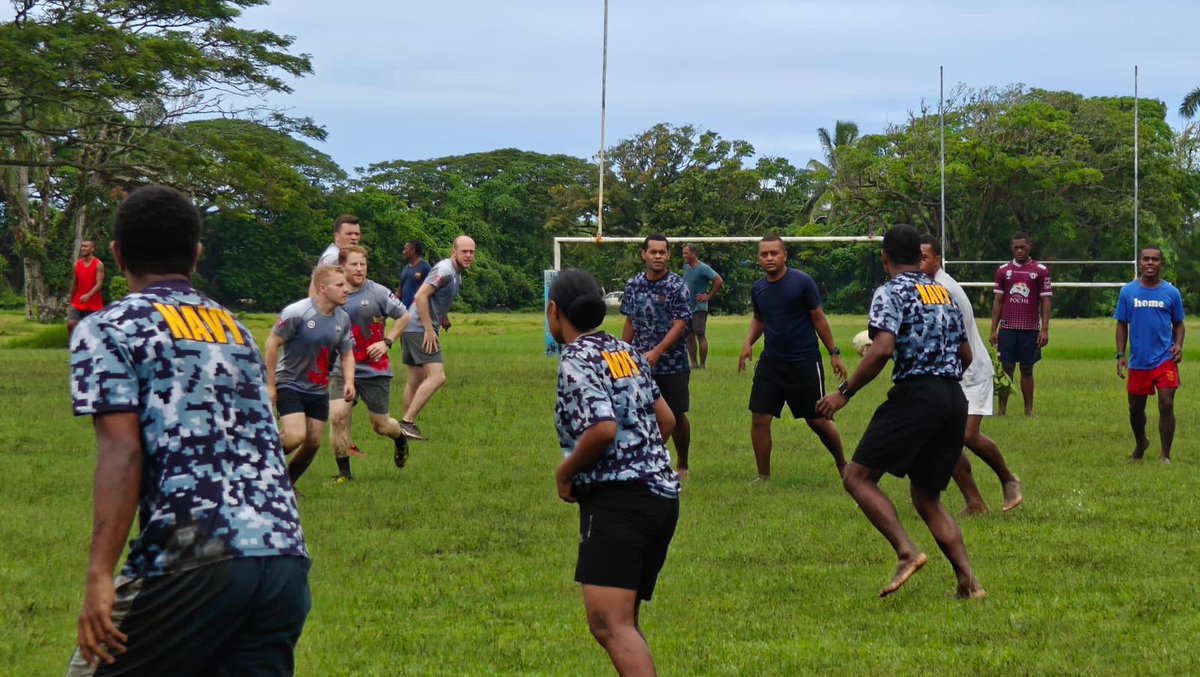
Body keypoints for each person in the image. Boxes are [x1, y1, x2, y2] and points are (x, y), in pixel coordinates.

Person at [67, 185, 310, 675]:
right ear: (197, 255)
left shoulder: (109, 328)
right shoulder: (235, 329)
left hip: (194, 553)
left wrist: (99, 574)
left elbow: (123, 454)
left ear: (116, 255)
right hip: (283, 555)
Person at [816, 224, 985, 600]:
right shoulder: (943, 293)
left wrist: (844, 393)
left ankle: (907, 552)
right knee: (927, 497)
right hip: (953, 398)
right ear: (918, 254)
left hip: (917, 395)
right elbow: (967, 355)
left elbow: (882, 349)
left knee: (857, 477)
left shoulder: (889, 292)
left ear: (884, 257)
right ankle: (969, 583)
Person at [548, 268, 680, 676]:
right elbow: (667, 420)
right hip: (660, 497)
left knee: (610, 624)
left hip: (620, 502)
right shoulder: (625, 352)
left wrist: (565, 473)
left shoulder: (576, 359)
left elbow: (602, 430)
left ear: (554, 312)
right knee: (624, 621)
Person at [920, 235, 1022, 513]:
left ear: (938, 259)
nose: (919, 263)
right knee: (944, 441)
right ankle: (975, 502)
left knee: (965, 435)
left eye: (924, 258)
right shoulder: (926, 286)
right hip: (951, 373)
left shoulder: (943, 288)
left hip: (972, 371)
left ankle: (1008, 478)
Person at [737, 236, 847, 481]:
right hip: (772, 363)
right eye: (764, 254)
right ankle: (763, 476)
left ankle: (843, 465)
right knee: (760, 418)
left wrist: (834, 353)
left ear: (784, 255)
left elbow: (819, 319)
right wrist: (748, 343)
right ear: (758, 258)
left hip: (804, 361)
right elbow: (759, 318)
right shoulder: (758, 288)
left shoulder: (802, 282)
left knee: (817, 419)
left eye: (774, 253)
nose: (769, 258)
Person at [265, 265, 356, 485]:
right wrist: (270, 385)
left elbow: (347, 354)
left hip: (318, 389)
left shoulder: (342, 319)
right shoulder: (297, 313)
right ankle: (258, 459)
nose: (347, 289)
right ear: (323, 288)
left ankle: (285, 486)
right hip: (290, 384)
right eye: (340, 285)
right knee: (295, 436)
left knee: (313, 442)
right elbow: (271, 344)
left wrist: (349, 381)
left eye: (346, 284)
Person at [329, 246, 412, 483]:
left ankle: (400, 438)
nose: (359, 269)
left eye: (362, 264)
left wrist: (387, 342)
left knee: (381, 426)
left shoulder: (378, 293)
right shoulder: (334, 293)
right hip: (342, 367)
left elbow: (404, 316)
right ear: (342, 266)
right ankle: (344, 474)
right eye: (354, 264)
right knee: (337, 417)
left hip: (374, 369)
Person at [622, 235, 694, 478]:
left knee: (676, 414)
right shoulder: (633, 285)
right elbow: (630, 319)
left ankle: (682, 463)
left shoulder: (676, 286)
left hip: (673, 364)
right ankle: (647, 460)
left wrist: (658, 351)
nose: (658, 256)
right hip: (640, 363)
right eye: (653, 252)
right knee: (640, 413)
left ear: (668, 256)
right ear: (644, 254)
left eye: (662, 252)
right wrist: (624, 351)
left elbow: (681, 323)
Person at [397, 235, 476, 441]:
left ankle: (404, 431)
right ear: (454, 252)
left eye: (471, 252)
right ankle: (407, 421)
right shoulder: (446, 270)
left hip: (411, 326)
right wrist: (429, 329)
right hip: (419, 329)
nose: (468, 255)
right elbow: (421, 296)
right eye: (464, 251)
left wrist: (442, 319)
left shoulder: (455, 273)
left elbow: (433, 299)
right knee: (437, 377)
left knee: (415, 380)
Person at [1115, 246, 1186, 463]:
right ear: (1139, 262)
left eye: (1155, 259)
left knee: (1166, 403)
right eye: (1146, 259)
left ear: (1160, 264)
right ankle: (1141, 444)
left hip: (1164, 359)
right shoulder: (1128, 292)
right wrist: (1120, 355)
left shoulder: (1171, 293)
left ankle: (1165, 454)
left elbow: (1179, 324)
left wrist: (1179, 345)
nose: (1150, 263)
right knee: (1135, 409)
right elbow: (1121, 324)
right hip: (1138, 361)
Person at [989, 231, 1052, 416]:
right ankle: (1001, 410)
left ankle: (1028, 410)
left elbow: (1046, 301)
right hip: (1008, 328)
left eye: (1022, 247)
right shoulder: (1003, 271)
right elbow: (998, 301)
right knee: (1006, 368)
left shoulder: (1039, 271)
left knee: (1027, 369)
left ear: (1029, 247)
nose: (1019, 251)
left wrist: (1045, 329)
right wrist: (994, 329)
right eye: (1015, 247)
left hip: (1030, 328)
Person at [681, 243, 724, 370]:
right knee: (689, 336)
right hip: (687, 306)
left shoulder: (703, 268)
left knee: (700, 334)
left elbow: (718, 280)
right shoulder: (686, 268)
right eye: (683, 253)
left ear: (694, 253)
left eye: (686, 253)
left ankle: (702, 364)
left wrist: (708, 296)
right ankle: (693, 363)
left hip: (699, 307)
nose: (684, 256)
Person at [68, 240, 105, 336]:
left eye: (86, 246)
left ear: (92, 249)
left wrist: (89, 295)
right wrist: (71, 300)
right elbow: (74, 283)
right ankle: (72, 346)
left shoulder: (98, 264)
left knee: (94, 329)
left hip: (94, 302)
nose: (83, 248)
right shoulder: (77, 264)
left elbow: (99, 284)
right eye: (82, 246)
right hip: (78, 301)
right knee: (71, 324)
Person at [397, 240, 432, 308]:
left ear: (412, 250)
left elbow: (433, 289)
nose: (403, 252)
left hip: (419, 312)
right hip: (405, 312)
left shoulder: (426, 267)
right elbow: (399, 291)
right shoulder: (405, 269)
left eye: (405, 249)